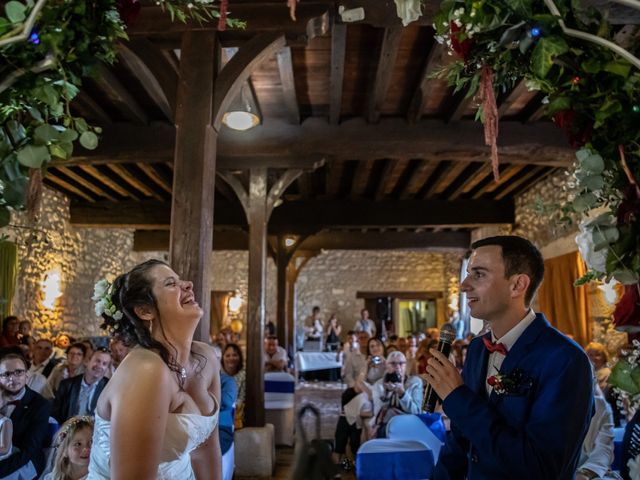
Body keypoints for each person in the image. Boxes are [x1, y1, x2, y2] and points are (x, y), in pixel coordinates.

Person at [426, 236, 593, 480]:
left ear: (517, 285)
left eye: (479, 274)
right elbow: (460, 443)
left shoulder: (564, 359)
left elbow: (541, 467)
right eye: (469, 273)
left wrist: (457, 397)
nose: (464, 285)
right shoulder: (477, 350)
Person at [88, 259, 221, 479]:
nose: (187, 285)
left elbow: (205, 450)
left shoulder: (206, 358)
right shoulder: (146, 370)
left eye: (181, 281)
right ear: (145, 311)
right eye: (171, 284)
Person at [0, 353, 51, 478]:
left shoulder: (40, 405)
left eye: (18, 372)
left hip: (22, 461)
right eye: (6, 374)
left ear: (27, 375)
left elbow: (29, 450)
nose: (12, 378)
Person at [370, 351, 423, 438]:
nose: (398, 367)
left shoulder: (415, 382)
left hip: (409, 423)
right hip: (388, 425)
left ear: (406, 366)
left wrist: (402, 393)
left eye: (401, 363)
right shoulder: (378, 385)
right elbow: (377, 413)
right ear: (386, 365)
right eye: (393, 363)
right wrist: (387, 394)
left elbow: (417, 412)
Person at [52, 348, 111, 424]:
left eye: (104, 364)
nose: (100, 366)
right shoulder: (67, 385)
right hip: (68, 431)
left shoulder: (109, 388)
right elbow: (55, 415)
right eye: (97, 361)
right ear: (88, 361)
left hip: (96, 433)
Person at [44, 415, 94, 480]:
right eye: (78, 444)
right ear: (64, 450)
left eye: (91, 442)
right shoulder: (52, 477)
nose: (86, 449)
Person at [221, 343, 245, 429]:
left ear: (240, 357)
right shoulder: (218, 375)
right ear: (223, 358)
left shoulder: (244, 376)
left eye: (234, 355)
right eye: (228, 355)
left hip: (236, 418)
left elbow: (242, 399)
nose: (231, 358)